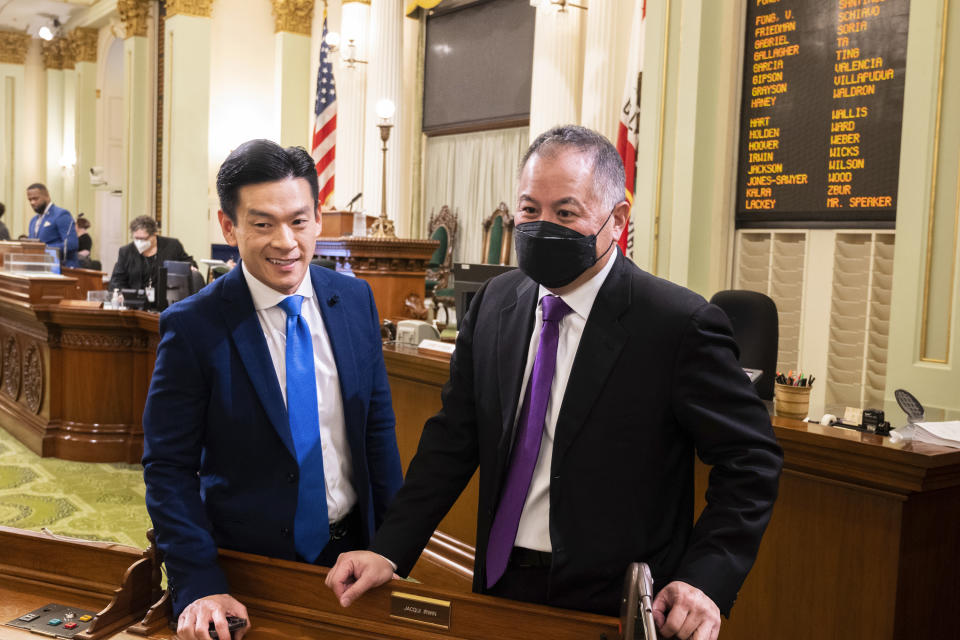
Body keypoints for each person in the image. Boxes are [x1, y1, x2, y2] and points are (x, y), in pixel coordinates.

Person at [326, 125, 783, 640]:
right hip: (498, 580)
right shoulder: (497, 303)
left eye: (565, 213)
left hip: (611, 603)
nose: (542, 226)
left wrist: (706, 579)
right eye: (529, 210)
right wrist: (390, 548)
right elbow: (454, 439)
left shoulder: (677, 323)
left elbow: (751, 460)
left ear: (618, 219)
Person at [142, 139, 403, 640]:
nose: (286, 242)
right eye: (263, 224)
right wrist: (197, 581)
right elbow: (168, 467)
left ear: (318, 218)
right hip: (244, 570)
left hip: (353, 558)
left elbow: (377, 430)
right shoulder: (193, 327)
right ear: (228, 226)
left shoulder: (354, 300)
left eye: (299, 221)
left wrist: (390, 547)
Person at [107, 215, 195, 291]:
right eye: (136, 238)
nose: (139, 242)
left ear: (154, 234)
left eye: (143, 239)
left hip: (165, 300)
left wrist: (191, 266)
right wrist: (121, 294)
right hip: (136, 304)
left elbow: (188, 262)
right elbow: (116, 280)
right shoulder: (126, 251)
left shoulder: (172, 246)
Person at [26, 183, 79, 267]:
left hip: (62, 268)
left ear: (47, 196)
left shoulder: (61, 214)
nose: (32, 202)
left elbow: (71, 244)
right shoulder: (33, 221)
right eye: (30, 200)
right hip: (39, 268)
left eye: (35, 199)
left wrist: (42, 249)